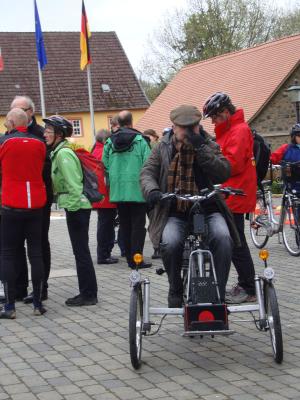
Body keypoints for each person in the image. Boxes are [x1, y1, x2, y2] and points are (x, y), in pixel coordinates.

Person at [140, 105, 238, 307]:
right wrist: (153, 191)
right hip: (175, 209)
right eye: (183, 127)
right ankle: (175, 288)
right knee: (170, 242)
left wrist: (202, 149)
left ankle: (218, 293)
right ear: (174, 127)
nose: (187, 131)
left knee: (223, 238)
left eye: (192, 127)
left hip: (208, 207)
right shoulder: (162, 147)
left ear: (197, 126)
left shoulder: (208, 144)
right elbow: (147, 172)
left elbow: (224, 172)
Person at [203, 92, 257, 304]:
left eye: (215, 117)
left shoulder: (239, 130)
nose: (213, 121)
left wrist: (210, 166)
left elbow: (231, 165)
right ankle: (246, 284)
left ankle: (248, 287)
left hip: (235, 193)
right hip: (228, 192)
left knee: (236, 242)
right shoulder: (228, 130)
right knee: (235, 241)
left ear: (225, 112)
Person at [43, 115, 98, 306]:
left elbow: (74, 185)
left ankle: (89, 294)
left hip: (77, 207)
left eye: (49, 131)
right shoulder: (58, 151)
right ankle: (88, 292)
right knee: (80, 251)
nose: (45, 134)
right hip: (76, 206)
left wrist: (73, 209)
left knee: (81, 252)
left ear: (59, 134)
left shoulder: (63, 154)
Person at [0, 108, 47, 318]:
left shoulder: (4, 142)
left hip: (11, 203)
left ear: (10, 122)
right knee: (35, 253)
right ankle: (38, 302)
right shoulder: (39, 143)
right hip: (36, 204)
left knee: (8, 253)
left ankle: (9, 307)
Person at [10, 96, 53, 304]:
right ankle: (18, 287)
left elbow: (46, 167)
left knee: (38, 244)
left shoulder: (40, 135)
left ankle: (40, 288)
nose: (13, 115)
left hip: (37, 198)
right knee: (15, 245)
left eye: (17, 110)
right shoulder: (8, 136)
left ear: (29, 112)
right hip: (14, 200)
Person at [103, 110, 152, 269]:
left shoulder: (109, 142)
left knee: (125, 226)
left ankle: (130, 259)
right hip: (137, 190)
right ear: (131, 123)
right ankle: (137, 260)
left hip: (118, 191)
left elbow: (105, 164)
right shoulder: (140, 141)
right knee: (138, 227)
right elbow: (148, 165)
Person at [92, 129, 119, 264]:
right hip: (106, 195)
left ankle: (104, 253)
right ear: (105, 140)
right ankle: (103, 255)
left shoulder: (95, 150)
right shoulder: (104, 151)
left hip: (100, 195)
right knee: (106, 226)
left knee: (104, 224)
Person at [271, 123, 300, 193]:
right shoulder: (286, 148)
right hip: (290, 185)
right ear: (293, 137)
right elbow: (272, 158)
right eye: (299, 135)